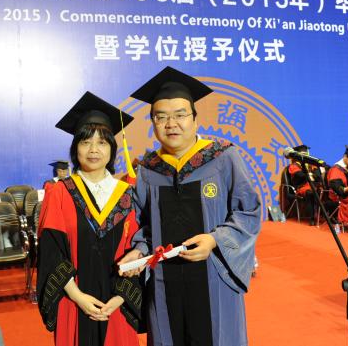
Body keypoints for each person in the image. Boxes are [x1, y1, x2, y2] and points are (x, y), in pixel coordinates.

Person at [119, 66, 261, 346]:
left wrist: (215, 239)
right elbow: (144, 224)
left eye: (180, 115)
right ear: (153, 123)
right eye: (161, 117)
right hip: (164, 282)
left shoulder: (223, 158)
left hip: (214, 277)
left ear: (195, 120)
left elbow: (249, 211)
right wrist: (139, 251)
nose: (171, 124)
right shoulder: (148, 170)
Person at [37, 91, 141, 346]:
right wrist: (78, 296)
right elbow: (51, 253)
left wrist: (120, 299)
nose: (94, 150)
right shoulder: (60, 193)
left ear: (112, 149)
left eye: (102, 142)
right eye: (86, 142)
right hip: (74, 303)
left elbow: (138, 252)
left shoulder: (128, 195)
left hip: (117, 305)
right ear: (75, 149)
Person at [327, 146, 348, 235]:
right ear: (345, 157)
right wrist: (345, 189)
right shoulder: (336, 168)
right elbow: (334, 185)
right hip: (340, 195)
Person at [287, 144, 321, 226]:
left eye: (306, 154)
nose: (305, 156)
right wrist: (311, 175)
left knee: (322, 192)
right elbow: (301, 175)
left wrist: (311, 175)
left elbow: (318, 175)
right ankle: (311, 217)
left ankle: (323, 216)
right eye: (303, 155)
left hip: (314, 186)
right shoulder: (293, 166)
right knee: (310, 193)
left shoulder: (311, 164)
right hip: (301, 188)